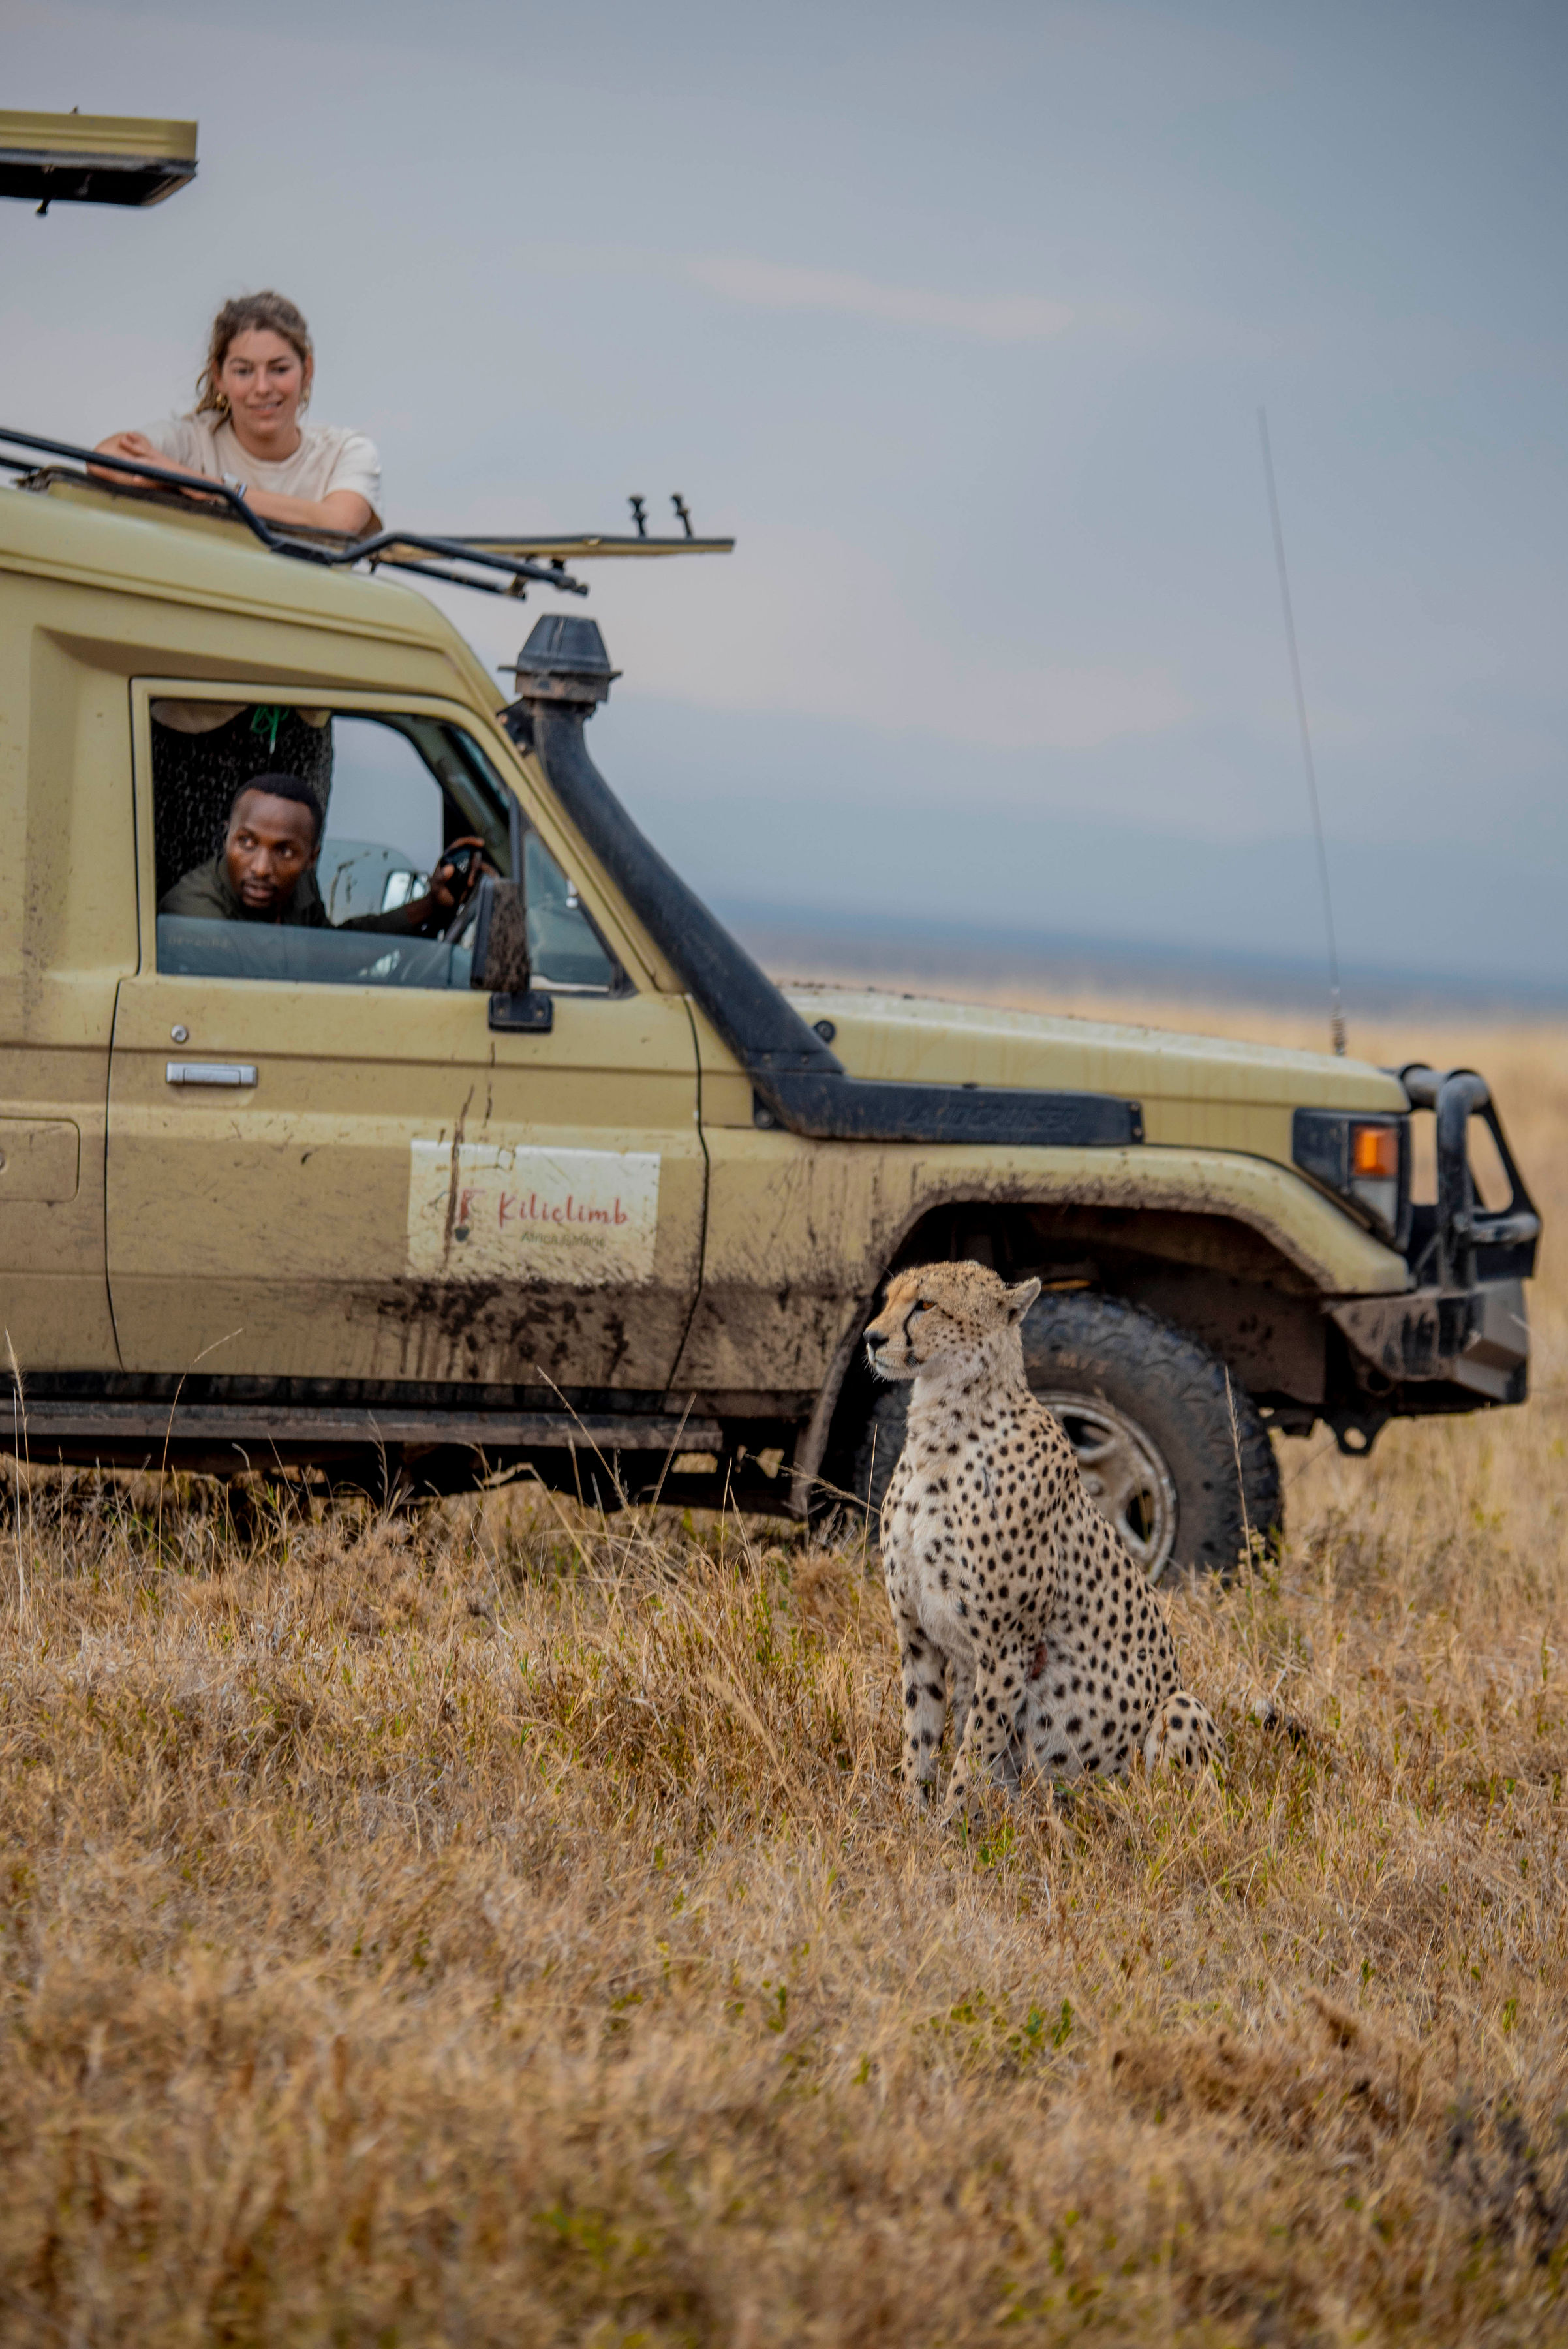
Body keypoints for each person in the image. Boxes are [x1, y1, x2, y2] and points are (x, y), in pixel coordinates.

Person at [94, 291, 381, 536]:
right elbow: (106, 459)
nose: (262, 387)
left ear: (307, 370)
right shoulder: (194, 439)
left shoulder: (346, 451)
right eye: (243, 371)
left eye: (279, 369)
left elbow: (340, 521)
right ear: (219, 377)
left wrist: (213, 490)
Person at [160, 775, 487, 935]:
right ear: (225, 838)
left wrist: (432, 905)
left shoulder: (298, 887)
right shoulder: (193, 914)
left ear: (311, 859)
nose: (261, 868)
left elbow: (331, 951)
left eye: (285, 851)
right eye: (247, 843)